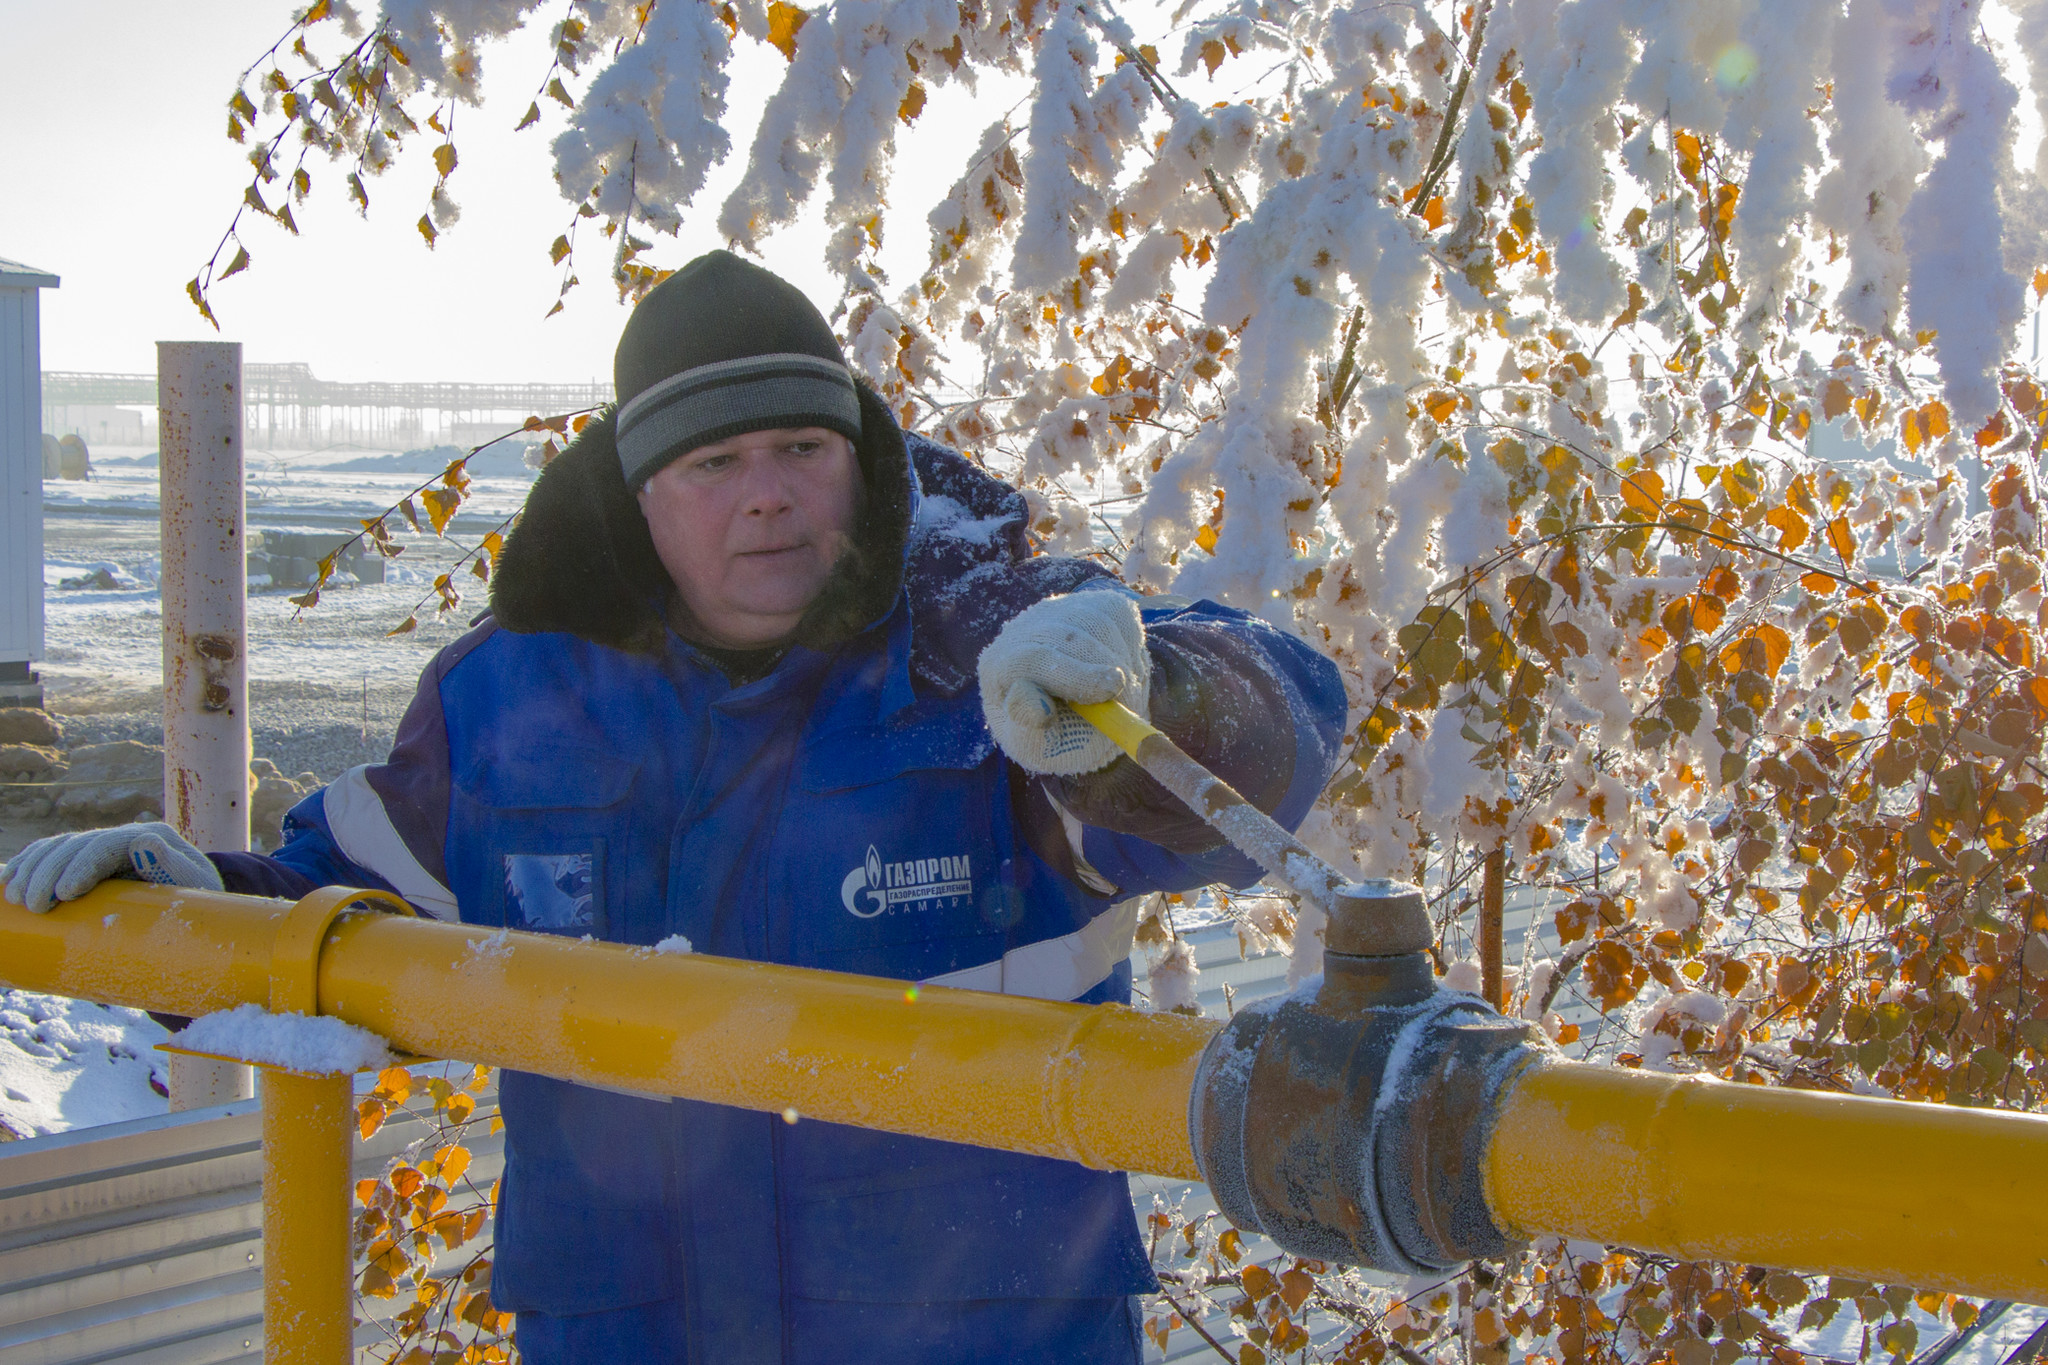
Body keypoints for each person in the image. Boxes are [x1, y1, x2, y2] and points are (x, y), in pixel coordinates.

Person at [2, 252, 1345, 1363]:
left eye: (801, 446)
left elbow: (1265, 762)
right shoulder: (510, 706)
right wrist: (186, 912)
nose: (766, 490)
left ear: (858, 462)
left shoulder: (987, 659)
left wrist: (1160, 691)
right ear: (642, 493)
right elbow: (344, 916)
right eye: (716, 462)